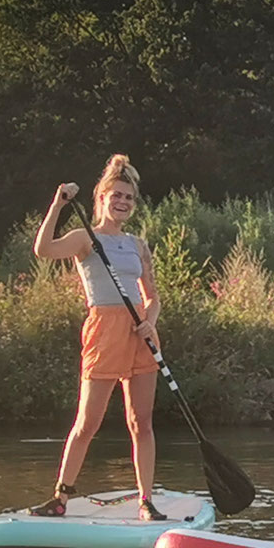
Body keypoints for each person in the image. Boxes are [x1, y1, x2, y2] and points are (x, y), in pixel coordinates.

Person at [30, 155, 166, 521]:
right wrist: (58, 205)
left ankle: (146, 500)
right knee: (87, 422)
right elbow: (43, 250)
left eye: (129, 198)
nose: (123, 202)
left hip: (140, 333)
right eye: (116, 196)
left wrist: (149, 322)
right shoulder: (84, 239)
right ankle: (60, 497)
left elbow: (152, 297)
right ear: (101, 198)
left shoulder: (138, 245)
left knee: (142, 421)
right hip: (104, 332)